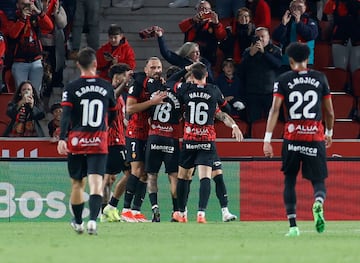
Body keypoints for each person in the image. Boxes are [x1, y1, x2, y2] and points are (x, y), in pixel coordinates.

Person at [263, 42, 335, 237]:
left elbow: (275, 109)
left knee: (289, 181)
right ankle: (318, 202)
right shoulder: (320, 78)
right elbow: (329, 111)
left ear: (291, 59)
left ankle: (293, 227)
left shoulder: (283, 79)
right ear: (307, 58)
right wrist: (329, 133)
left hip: (292, 137)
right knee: (318, 181)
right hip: (314, 136)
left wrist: (267, 140)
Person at [57, 47, 117, 235]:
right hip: (99, 141)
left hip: (77, 141)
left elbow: (65, 115)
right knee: (96, 183)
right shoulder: (106, 86)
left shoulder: (72, 87)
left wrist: (61, 138)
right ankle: (93, 221)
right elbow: (113, 116)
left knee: (77, 184)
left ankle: (78, 221)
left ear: (77, 65)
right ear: (95, 64)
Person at [172, 62, 242, 223]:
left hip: (189, 140)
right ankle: (201, 214)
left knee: (183, 176)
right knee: (206, 177)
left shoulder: (186, 89)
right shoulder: (214, 90)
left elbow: (170, 84)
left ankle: (181, 213)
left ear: (192, 76)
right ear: (206, 76)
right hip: (207, 140)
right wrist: (234, 125)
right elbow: (225, 112)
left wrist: (186, 68)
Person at [120, 57, 167, 222]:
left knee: (146, 174)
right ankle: (125, 210)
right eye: (153, 67)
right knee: (137, 170)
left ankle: (135, 211)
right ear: (146, 70)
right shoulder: (138, 84)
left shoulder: (159, 86)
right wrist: (151, 102)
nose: (156, 70)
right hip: (134, 133)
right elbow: (130, 108)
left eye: (159, 67)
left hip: (149, 134)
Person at [100, 63, 132, 223]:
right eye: (125, 76)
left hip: (117, 139)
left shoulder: (121, 96)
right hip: (114, 140)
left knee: (109, 178)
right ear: (118, 76)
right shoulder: (108, 90)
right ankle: (110, 207)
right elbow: (111, 98)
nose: (127, 80)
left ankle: (103, 211)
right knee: (133, 172)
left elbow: (120, 118)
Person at [7, 0, 54, 94]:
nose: (25, 6)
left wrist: (39, 12)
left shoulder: (35, 16)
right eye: (23, 4)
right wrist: (23, 18)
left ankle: (35, 109)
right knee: (20, 93)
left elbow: (49, 27)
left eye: (28, 4)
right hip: (19, 62)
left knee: (36, 93)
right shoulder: (13, 17)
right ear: (17, 5)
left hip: (36, 61)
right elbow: (13, 34)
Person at [240, 26, 282, 124]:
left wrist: (264, 53)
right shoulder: (248, 51)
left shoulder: (276, 50)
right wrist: (250, 55)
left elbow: (278, 65)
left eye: (263, 36)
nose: (261, 39)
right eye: (258, 37)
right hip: (253, 92)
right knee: (253, 121)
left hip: (270, 92)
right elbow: (241, 71)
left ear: (268, 37)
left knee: (271, 120)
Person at [272, 0, 318, 73]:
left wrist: (298, 22)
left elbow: (311, 35)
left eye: (299, 6)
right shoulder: (286, 20)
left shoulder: (310, 21)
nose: (296, 9)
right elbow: (276, 37)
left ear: (305, 8)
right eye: (293, 7)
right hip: (287, 61)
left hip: (305, 61)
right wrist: (283, 24)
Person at [178, 1, 227, 67]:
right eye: (201, 8)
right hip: (190, 56)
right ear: (197, 10)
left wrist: (216, 23)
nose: (203, 11)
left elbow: (222, 36)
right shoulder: (192, 22)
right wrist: (193, 20)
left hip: (208, 57)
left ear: (210, 11)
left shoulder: (214, 24)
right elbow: (181, 26)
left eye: (206, 9)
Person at [40, 0, 67, 113]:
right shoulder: (36, 5)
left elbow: (62, 24)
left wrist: (56, 13)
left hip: (55, 47)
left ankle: (54, 106)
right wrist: (43, 12)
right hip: (40, 47)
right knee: (45, 78)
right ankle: (43, 104)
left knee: (55, 77)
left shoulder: (58, 6)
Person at [323, 0, 360, 73]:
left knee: (355, 72)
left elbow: (327, 25)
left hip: (356, 41)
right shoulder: (332, 3)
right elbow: (327, 24)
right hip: (339, 41)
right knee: (340, 71)